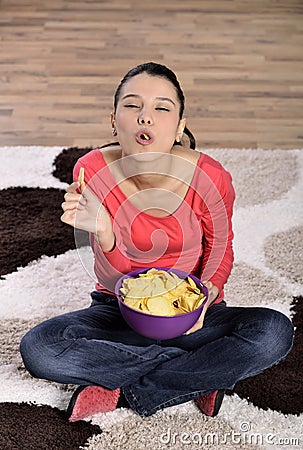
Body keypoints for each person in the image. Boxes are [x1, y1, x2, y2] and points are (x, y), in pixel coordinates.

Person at [20, 62, 294, 422]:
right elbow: (113, 277)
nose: (145, 117)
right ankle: (201, 372)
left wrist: (206, 296)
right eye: (133, 106)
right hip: (118, 311)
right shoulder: (92, 171)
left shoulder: (210, 176)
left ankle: (124, 386)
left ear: (179, 127)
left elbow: (221, 247)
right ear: (113, 121)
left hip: (195, 316)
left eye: (161, 108)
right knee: (39, 348)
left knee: (274, 332)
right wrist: (103, 228)